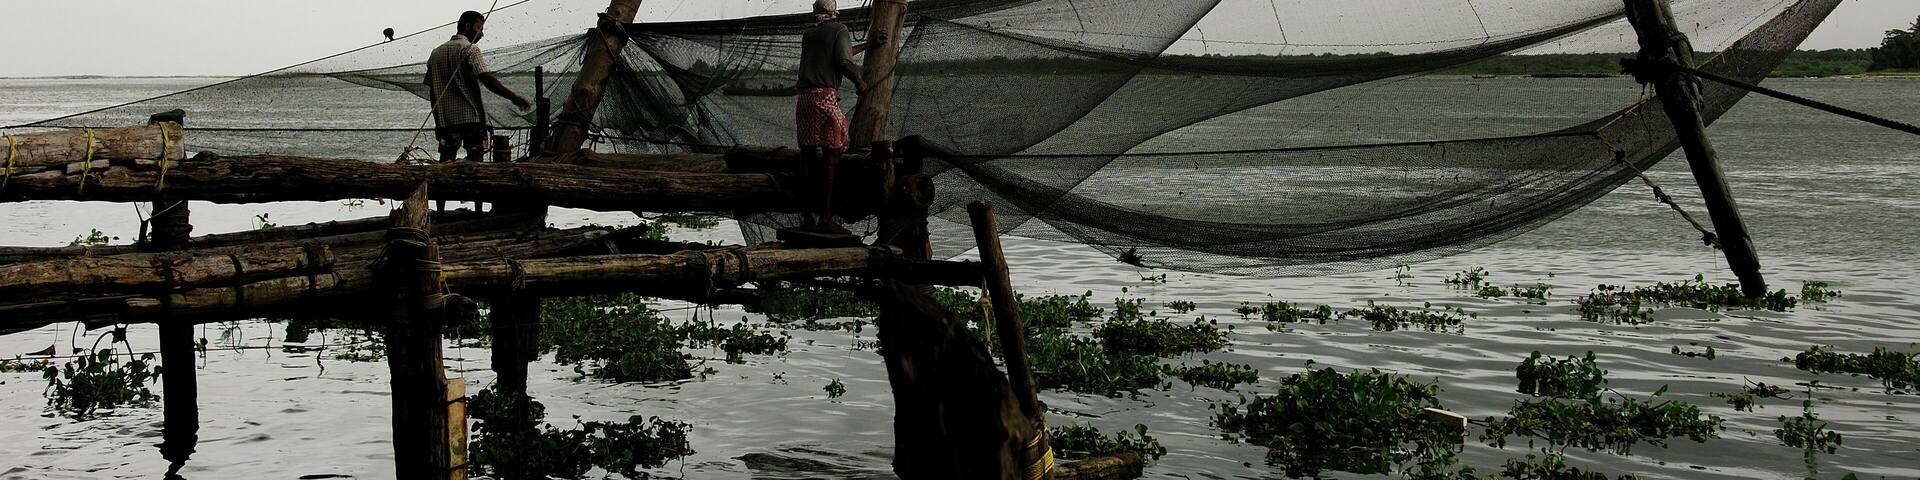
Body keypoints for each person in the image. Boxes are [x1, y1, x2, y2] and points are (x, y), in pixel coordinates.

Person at [795, 0, 886, 234]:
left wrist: (866, 45)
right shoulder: (840, 29)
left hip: (804, 99)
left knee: (807, 158)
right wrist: (860, 82)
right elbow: (843, 61)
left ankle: (807, 219)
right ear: (835, 11)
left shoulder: (809, 34)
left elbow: (838, 54)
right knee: (832, 155)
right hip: (824, 97)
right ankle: (826, 218)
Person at [426, 10, 531, 162]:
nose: (482, 34)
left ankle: (441, 185)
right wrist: (513, 97)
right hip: (471, 118)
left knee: (446, 159)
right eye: (479, 28)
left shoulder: (435, 53)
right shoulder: (470, 49)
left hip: (446, 121)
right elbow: (486, 78)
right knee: (476, 160)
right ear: (468, 26)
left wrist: (438, 122)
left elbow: (433, 92)